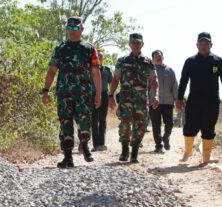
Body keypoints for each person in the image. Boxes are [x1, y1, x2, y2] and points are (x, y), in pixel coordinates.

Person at [42, 16, 101, 168]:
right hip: (64, 93)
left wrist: (99, 93)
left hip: (83, 93)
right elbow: (52, 70)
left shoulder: (89, 48)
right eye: (70, 28)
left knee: (84, 122)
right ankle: (68, 157)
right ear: (67, 29)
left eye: (76, 28)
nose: (72, 31)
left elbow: (95, 72)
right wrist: (46, 90)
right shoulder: (60, 48)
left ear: (81, 29)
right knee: (65, 123)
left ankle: (85, 146)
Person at [176, 32, 222, 164]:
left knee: (208, 127)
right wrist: (179, 99)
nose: (203, 46)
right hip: (194, 101)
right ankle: (188, 151)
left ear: (211, 44)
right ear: (197, 45)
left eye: (206, 43)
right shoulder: (190, 61)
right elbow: (183, 81)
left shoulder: (218, 61)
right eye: (201, 43)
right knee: (190, 126)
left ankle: (206, 156)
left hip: (212, 101)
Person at [108, 33, 159, 163]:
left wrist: (156, 95)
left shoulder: (148, 62)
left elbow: (154, 80)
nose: (136, 45)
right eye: (133, 43)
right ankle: (125, 149)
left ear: (142, 44)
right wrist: (110, 95)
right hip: (125, 98)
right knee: (125, 123)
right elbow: (115, 79)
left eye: (138, 42)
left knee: (140, 125)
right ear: (129, 44)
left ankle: (135, 150)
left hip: (141, 99)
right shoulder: (122, 60)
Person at [149, 50, 178, 153]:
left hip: (168, 102)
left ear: (163, 57)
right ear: (152, 59)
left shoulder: (170, 70)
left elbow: (175, 86)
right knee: (156, 125)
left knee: (169, 123)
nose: (158, 57)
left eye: (160, 56)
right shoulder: (150, 71)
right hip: (154, 103)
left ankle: (166, 137)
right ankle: (158, 145)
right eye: (156, 56)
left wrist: (177, 99)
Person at [91, 52, 113, 152]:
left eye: (101, 57)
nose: (99, 58)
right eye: (97, 57)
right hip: (92, 95)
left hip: (104, 95)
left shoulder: (107, 70)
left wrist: (112, 97)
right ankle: (95, 145)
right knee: (94, 120)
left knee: (102, 120)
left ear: (103, 58)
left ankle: (102, 143)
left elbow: (111, 83)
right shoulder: (90, 69)